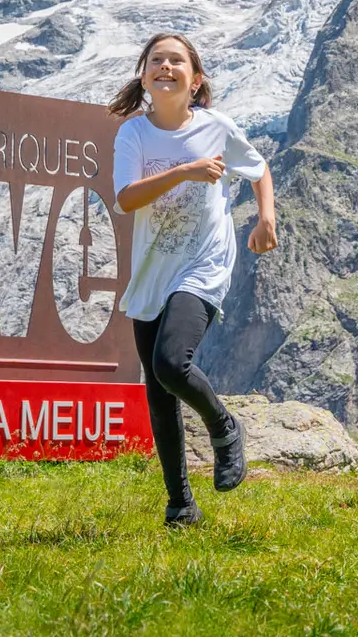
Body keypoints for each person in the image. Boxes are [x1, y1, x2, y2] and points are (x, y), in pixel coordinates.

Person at [110, 32, 276, 528]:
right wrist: (183, 171)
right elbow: (126, 199)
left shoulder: (215, 127)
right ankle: (180, 503)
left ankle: (224, 427)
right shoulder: (133, 135)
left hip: (203, 263)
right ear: (144, 77)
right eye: (155, 60)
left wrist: (266, 218)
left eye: (176, 60)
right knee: (158, 392)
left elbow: (259, 168)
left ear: (195, 78)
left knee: (170, 363)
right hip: (151, 271)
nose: (165, 66)